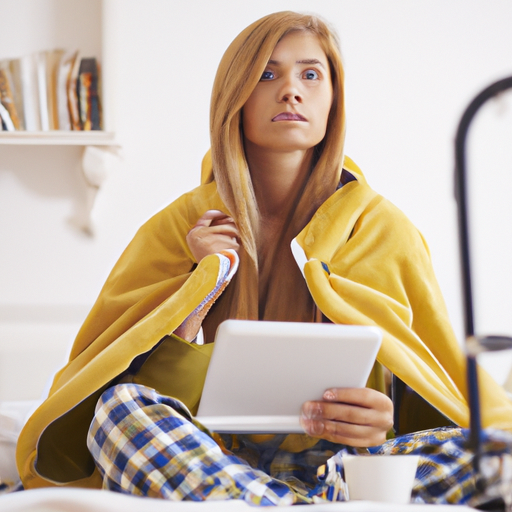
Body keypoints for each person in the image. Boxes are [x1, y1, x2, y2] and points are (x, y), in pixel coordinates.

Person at [16, 10, 512, 506]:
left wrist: (382, 422)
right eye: (268, 74)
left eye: (311, 74)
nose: (291, 91)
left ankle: (275, 504)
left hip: (345, 472)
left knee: (497, 453)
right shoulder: (176, 227)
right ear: (236, 95)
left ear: (333, 99)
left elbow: (432, 386)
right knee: (120, 409)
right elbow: (115, 385)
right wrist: (199, 292)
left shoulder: (383, 227)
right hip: (209, 459)